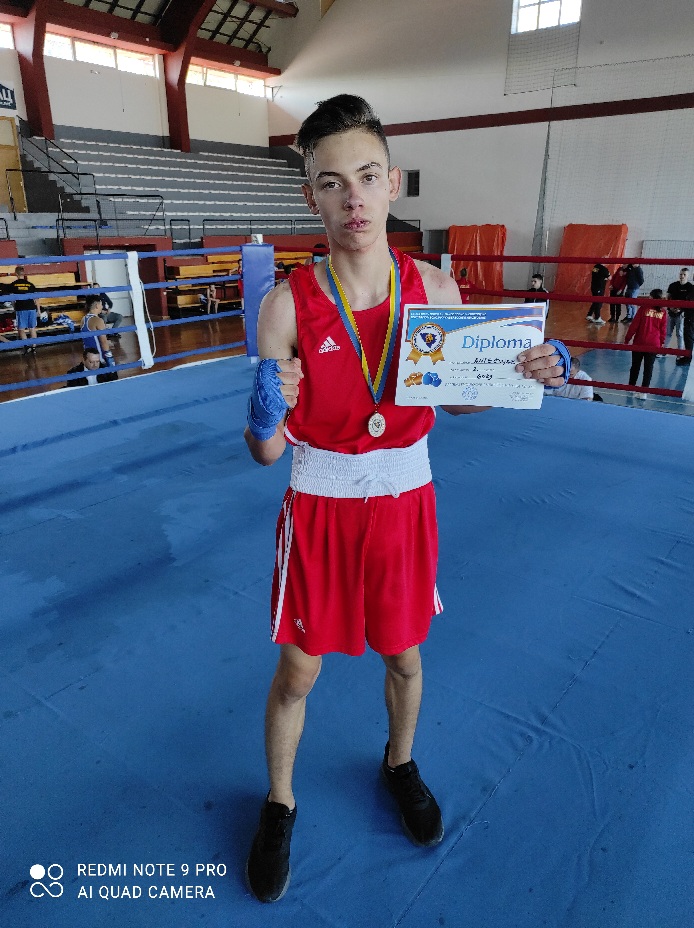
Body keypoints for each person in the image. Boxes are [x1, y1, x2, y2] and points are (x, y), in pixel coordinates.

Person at [242, 94, 569, 905]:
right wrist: (261, 414)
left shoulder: (435, 289)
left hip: (403, 503)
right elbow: (266, 451)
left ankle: (400, 762)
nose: (352, 198)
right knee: (298, 670)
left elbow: (459, 400)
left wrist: (528, 375)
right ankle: (279, 802)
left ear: (392, 183)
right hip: (319, 505)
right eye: (331, 183)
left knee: (406, 655)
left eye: (366, 177)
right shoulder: (284, 306)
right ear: (311, 198)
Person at [624, 289, 667, 396]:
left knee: (635, 366)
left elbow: (634, 325)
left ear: (652, 297)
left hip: (640, 341)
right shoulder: (663, 312)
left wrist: (627, 338)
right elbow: (663, 330)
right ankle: (644, 392)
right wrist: (661, 343)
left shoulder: (643, 308)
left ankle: (631, 387)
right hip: (654, 344)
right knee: (649, 368)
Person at [9, 266, 41, 355]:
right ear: (24, 273)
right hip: (31, 308)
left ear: (16, 274)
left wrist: (14, 307)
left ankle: (26, 347)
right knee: (32, 328)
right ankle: (34, 348)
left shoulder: (13, 285)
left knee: (21, 329)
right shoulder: (30, 284)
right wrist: (38, 310)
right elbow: (36, 298)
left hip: (21, 308)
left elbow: (12, 299)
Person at [666, 267, 694, 366]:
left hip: (685, 315)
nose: (682, 276)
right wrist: (671, 307)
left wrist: (681, 309)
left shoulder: (690, 288)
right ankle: (665, 351)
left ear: (688, 276)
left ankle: (684, 355)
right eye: (681, 274)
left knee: (682, 334)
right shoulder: (673, 285)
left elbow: (688, 302)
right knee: (670, 332)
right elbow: (668, 297)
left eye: (684, 274)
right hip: (677, 313)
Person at [80, 295, 116, 368]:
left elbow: (91, 338)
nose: (102, 307)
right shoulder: (98, 320)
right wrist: (109, 358)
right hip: (98, 360)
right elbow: (103, 342)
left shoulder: (83, 319)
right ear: (97, 305)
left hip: (88, 358)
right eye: (101, 304)